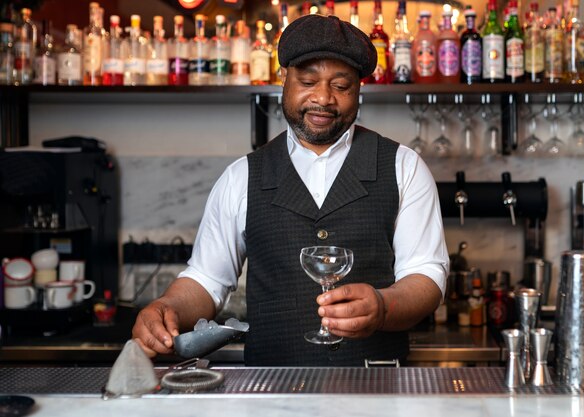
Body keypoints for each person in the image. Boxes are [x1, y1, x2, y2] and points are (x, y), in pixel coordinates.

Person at [132, 14, 449, 366]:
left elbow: (426, 276)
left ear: (359, 90)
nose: (323, 98)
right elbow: (207, 279)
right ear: (284, 80)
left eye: (341, 86)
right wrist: (166, 307)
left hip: (375, 385)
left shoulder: (403, 167)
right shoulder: (241, 177)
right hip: (271, 387)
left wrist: (384, 306)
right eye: (309, 81)